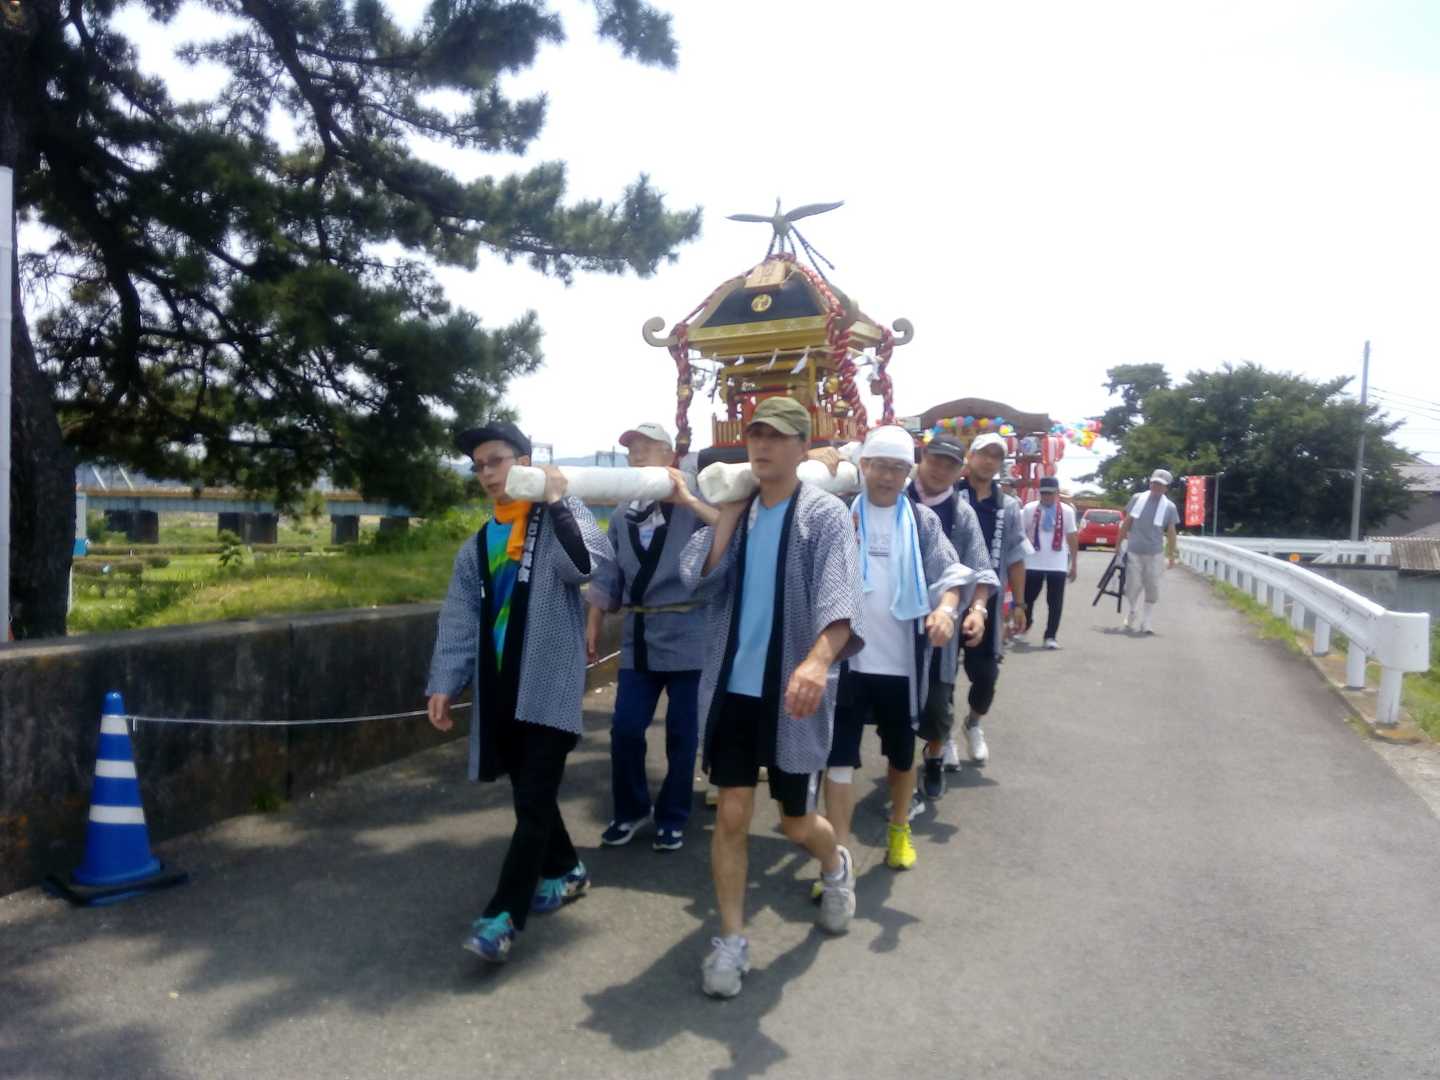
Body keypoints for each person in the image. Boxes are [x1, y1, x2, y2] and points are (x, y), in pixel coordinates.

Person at [680, 396, 865, 999]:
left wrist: (817, 661)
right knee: (732, 814)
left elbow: (841, 601)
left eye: (777, 436)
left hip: (791, 690)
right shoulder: (740, 510)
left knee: (793, 822)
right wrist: (726, 517)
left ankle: (835, 863)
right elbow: (697, 580)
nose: (761, 445)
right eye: (756, 434)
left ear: (802, 447)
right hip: (733, 688)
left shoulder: (824, 515)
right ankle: (731, 939)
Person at [425, 421, 615, 964]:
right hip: (501, 688)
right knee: (531, 793)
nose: (488, 474)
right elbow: (459, 618)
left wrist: (558, 501)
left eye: (497, 461)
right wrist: (445, 681)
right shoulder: (478, 545)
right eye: (479, 466)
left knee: (531, 801)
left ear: (525, 461)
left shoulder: (555, 518)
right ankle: (568, 869)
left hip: (549, 683)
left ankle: (503, 916)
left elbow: (588, 566)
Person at [822, 426, 969, 877]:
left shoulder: (923, 522)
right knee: (839, 760)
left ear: (909, 473)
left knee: (901, 758)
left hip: (902, 665)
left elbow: (950, 574)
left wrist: (946, 609)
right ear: (863, 466)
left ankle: (899, 830)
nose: (887, 477)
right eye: (880, 466)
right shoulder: (839, 515)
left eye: (898, 469)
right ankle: (837, 859)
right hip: (848, 662)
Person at [588, 422, 719, 853]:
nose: (637, 454)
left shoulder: (696, 496)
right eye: (632, 449)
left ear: (669, 454)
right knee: (625, 728)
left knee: (682, 735)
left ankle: (673, 816)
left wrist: (688, 500)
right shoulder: (623, 512)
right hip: (640, 635)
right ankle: (630, 809)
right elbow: (608, 570)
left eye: (647, 446)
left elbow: (730, 532)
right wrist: (594, 620)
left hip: (689, 632)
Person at [906, 434, 998, 800]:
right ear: (922, 457)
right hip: (889, 620)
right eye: (935, 460)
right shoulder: (894, 494)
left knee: (936, 701)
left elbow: (980, 568)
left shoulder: (962, 513)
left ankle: (933, 756)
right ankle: (896, 765)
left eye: (950, 464)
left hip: (940, 622)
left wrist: (978, 610)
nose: (940, 470)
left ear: (960, 470)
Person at [951, 433, 1029, 769]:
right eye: (983, 454)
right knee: (940, 672)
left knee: (986, 674)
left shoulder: (1008, 506)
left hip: (988, 603)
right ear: (970, 457)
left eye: (996, 456)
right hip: (947, 596)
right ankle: (942, 737)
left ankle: (973, 723)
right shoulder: (949, 494)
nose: (988, 461)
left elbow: (1015, 556)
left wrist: (1020, 605)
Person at [1117, 468, 1180, 634]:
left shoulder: (1169, 507)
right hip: (1134, 550)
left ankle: (1147, 621)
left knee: (1152, 587)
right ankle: (1132, 611)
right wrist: (1118, 544)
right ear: (1150, 483)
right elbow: (1127, 522)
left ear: (1166, 488)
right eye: (1154, 483)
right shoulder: (1137, 498)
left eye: (1161, 485)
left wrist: (1171, 554)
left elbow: (1171, 532)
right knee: (1132, 585)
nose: (1156, 487)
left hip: (1155, 552)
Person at [1019, 476, 1079, 649]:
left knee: (1055, 602)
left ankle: (1050, 636)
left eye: (1050, 493)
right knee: (1028, 598)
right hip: (1033, 561)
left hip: (1057, 562)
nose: (1047, 497)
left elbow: (1072, 536)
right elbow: (1020, 534)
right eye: (1044, 493)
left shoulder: (1067, 511)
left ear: (1057, 493)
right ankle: (1025, 625)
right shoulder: (1029, 509)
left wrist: (1074, 564)